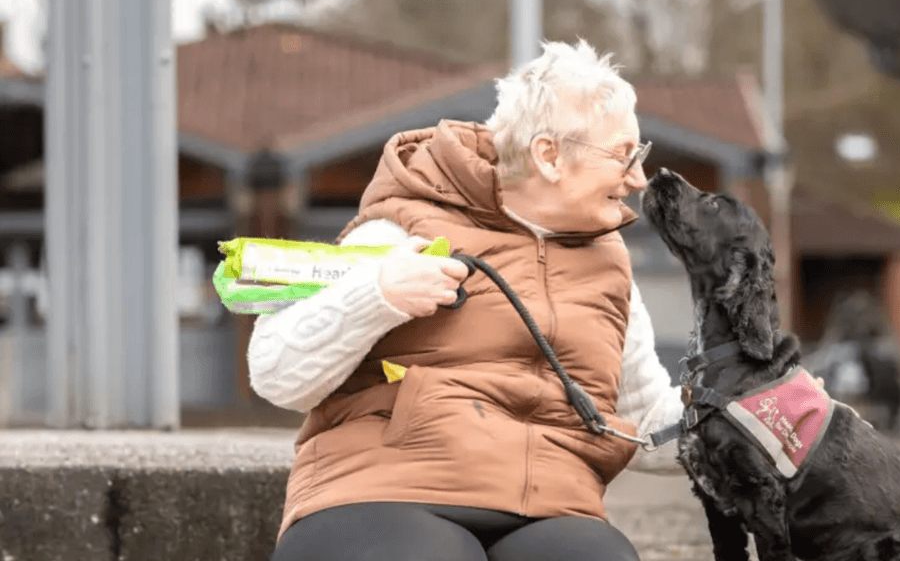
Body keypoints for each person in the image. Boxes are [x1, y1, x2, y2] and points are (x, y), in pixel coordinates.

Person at [250, 40, 687, 561]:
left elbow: (648, 417)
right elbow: (274, 369)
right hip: (387, 486)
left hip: (550, 503)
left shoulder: (610, 266)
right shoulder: (400, 227)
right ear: (549, 156)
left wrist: (753, 411)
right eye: (623, 155)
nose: (638, 178)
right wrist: (380, 294)